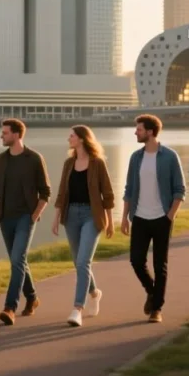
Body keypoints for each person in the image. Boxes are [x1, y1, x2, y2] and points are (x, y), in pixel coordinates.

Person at [0, 119, 51, 326]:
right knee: (18, 260)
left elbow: (45, 191)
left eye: (5, 133)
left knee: (16, 260)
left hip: (25, 217)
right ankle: (32, 298)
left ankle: (9, 308)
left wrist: (35, 214)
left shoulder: (34, 159)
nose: (1, 136)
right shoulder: (1, 160)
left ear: (16, 135)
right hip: (5, 217)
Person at [121, 114, 185, 324]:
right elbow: (129, 189)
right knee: (136, 260)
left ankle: (156, 308)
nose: (135, 132)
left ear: (150, 131)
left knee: (160, 265)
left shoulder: (169, 156)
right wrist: (124, 217)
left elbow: (179, 190)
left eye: (139, 129)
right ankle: (152, 291)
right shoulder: (135, 157)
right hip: (139, 216)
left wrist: (170, 216)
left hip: (161, 218)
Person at [52, 126, 115, 328]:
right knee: (79, 262)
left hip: (92, 215)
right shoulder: (69, 163)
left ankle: (77, 309)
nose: (68, 138)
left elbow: (108, 193)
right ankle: (95, 293)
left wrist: (111, 221)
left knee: (82, 262)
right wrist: (56, 218)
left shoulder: (98, 163)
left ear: (81, 139)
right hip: (71, 215)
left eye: (71, 135)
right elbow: (62, 192)